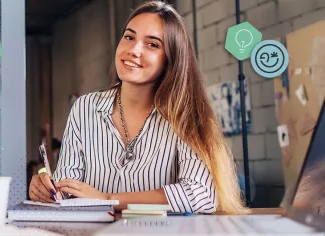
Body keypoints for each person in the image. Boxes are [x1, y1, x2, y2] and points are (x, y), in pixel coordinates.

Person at [29, 1, 248, 214]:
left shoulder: (185, 114)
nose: (134, 49)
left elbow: (200, 195)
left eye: (152, 44)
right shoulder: (84, 108)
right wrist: (47, 190)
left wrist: (109, 200)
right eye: (129, 37)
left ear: (170, 59)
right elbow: (69, 190)